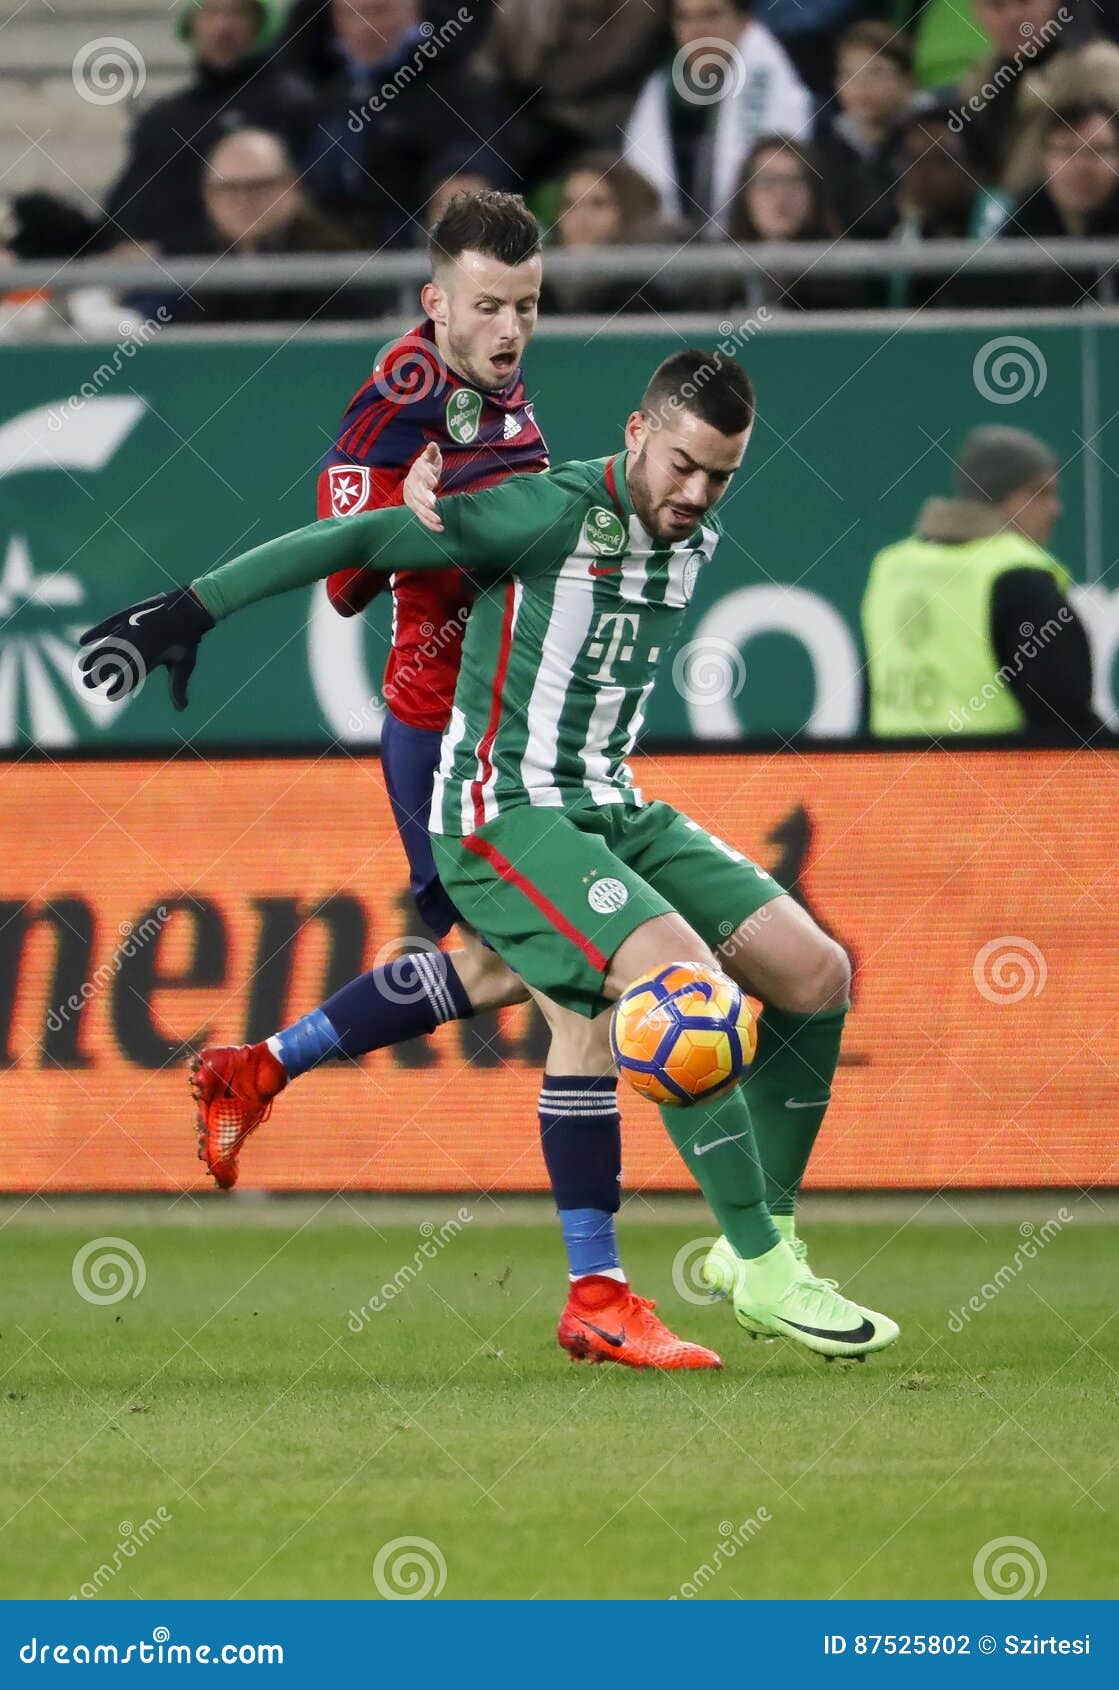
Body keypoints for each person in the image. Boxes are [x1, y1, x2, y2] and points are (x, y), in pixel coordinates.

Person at [79, 349, 902, 1362]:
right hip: (500, 814)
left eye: (720, 475)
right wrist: (192, 606)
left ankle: (760, 1240)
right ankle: (752, 1271)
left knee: (816, 973)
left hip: (612, 807)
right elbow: (364, 536)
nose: (695, 492)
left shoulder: (692, 528)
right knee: (673, 989)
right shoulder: (548, 511)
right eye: (681, 464)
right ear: (638, 434)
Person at [92, 189, 721, 1373]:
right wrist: (400, 505)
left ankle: (257, 1067)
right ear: (435, 303)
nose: (511, 325)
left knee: (496, 970)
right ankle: (598, 1288)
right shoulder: (403, 396)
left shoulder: (504, 393)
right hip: (444, 750)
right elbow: (345, 576)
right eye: (488, 303)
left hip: (505, 742)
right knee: (577, 994)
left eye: (527, 305)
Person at [861, 426, 1104, 742]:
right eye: (1038, 493)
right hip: (996, 786)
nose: (1055, 510)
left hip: (897, 784)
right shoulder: (1019, 578)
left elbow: (869, 705)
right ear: (998, 496)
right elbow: (1065, 720)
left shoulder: (892, 569)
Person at [101, 0, 313, 256]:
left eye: (237, 14)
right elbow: (122, 211)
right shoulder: (163, 118)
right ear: (192, 24)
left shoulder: (291, 107)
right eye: (210, 13)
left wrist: (167, 250)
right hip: (143, 276)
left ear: (259, 23)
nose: (222, 27)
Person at [300, 0, 512, 248]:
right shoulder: (328, 92)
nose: (365, 27)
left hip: (411, 250)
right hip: (324, 251)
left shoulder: (456, 87)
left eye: (379, 11)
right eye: (350, 15)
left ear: (413, 11)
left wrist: (458, 178)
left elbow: (474, 153)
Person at [624, 0, 812, 235]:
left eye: (711, 15)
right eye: (684, 18)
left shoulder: (780, 89)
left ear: (743, 21)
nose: (697, 30)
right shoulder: (662, 91)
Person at [184, 130, 362, 323]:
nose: (244, 200)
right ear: (209, 197)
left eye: (259, 187)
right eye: (229, 188)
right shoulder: (191, 267)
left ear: (292, 187)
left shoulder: (337, 264)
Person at [960, 0, 1119, 196]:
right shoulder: (981, 76)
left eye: (1025, 2)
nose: (1012, 16)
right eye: (997, 5)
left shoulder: (1101, 69)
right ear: (978, 12)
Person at [725, 136, 869, 309]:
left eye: (793, 181)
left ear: (814, 194)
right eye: (768, 181)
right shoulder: (713, 275)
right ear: (745, 194)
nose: (781, 195)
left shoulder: (843, 275)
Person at [888, 106, 1009, 309]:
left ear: (975, 167)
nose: (923, 174)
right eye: (913, 160)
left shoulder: (1012, 225)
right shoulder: (904, 235)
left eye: (942, 160)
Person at [813, 22, 925, 241]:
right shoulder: (825, 146)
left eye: (875, 72)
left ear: (906, 80)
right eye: (849, 74)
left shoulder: (933, 140)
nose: (861, 86)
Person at [1000, 102, 1119, 306]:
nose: (1082, 167)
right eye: (1067, 152)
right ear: (1044, 158)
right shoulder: (1022, 224)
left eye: (1099, 151)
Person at [541, 154, 679, 316]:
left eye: (598, 204)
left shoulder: (640, 300)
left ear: (630, 213)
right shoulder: (537, 294)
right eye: (570, 204)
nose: (580, 218)